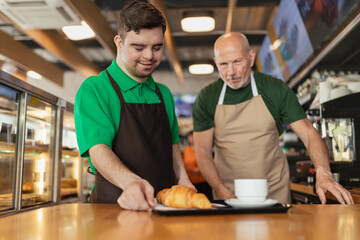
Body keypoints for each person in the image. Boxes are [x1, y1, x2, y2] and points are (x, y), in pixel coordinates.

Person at [192, 32, 353, 204]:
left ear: (251, 57)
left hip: (273, 191)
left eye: (237, 62)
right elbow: (203, 153)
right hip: (227, 193)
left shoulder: (274, 89)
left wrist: (323, 172)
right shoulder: (207, 97)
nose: (231, 72)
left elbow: (308, 133)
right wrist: (219, 189)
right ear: (216, 62)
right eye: (223, 64)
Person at [74, 1, 193, 211]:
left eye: (157, 48)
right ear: (119, 42)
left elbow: (173, 144)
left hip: (163, 209)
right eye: (139, 48)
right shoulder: (95, 89)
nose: (149, 56)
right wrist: (130, 182)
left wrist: (183, 179)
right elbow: (98, 150)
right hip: (111, 211)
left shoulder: (163, 93)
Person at [183, 131, 213, 201]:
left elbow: (207, 162)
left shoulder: (201, 150)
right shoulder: (186, 149)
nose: (191, 138)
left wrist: (198, 170)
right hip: (190, 180)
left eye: (193, 136)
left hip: (201, 181)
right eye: (189, 137)